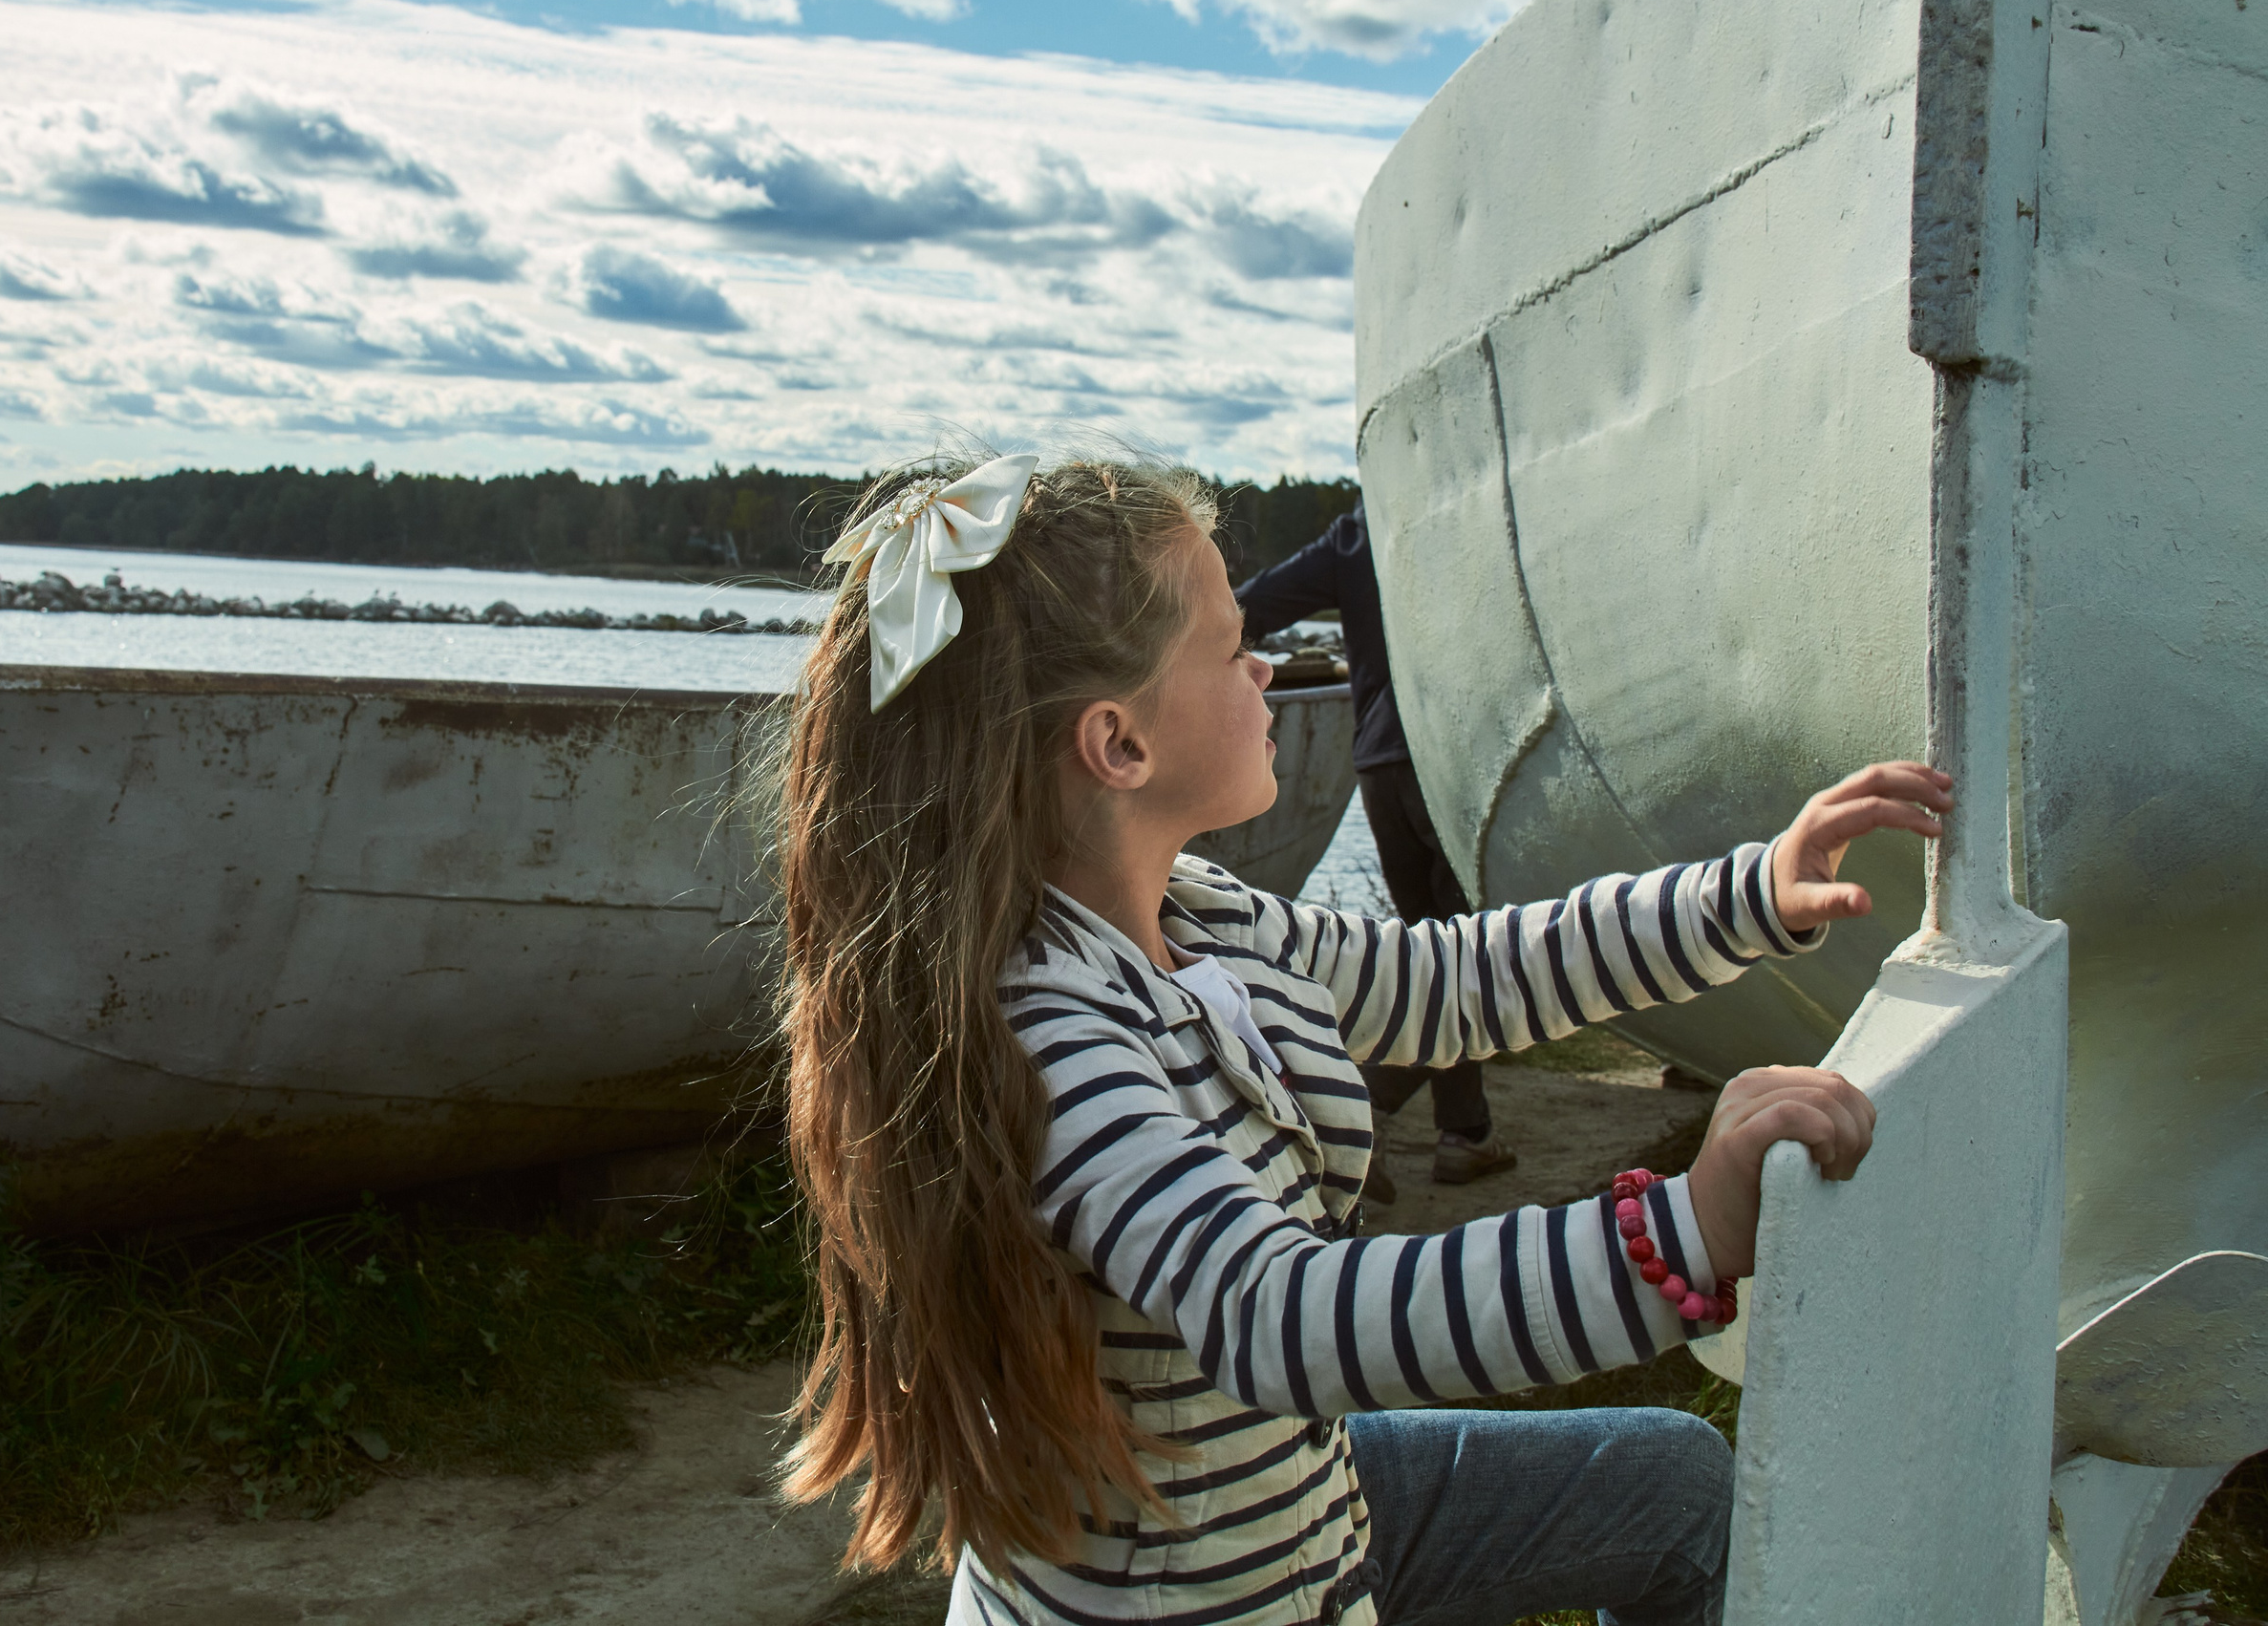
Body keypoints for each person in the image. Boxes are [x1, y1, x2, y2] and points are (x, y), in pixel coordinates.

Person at [775, 449, 1947, 1626]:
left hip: (1296, 1497)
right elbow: (1278, 1315)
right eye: (1231, 646)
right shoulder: (1047, 1030)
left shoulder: (1206, 916)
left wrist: (1750, 893)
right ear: (1118, 744)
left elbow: (1454, 979)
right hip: (1196, 1594)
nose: (1267, 663)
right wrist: (1682, 1230)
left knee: (1676, 1487)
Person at [1232, 502, 1511, 1194]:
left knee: (1434, 944)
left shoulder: (1365, 525)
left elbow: (1250, 608)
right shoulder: (1477, 499)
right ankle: (1359, 1102)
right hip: (1459, 766)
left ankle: (1464, 1133)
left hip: (1383, 763)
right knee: (1470, 957)